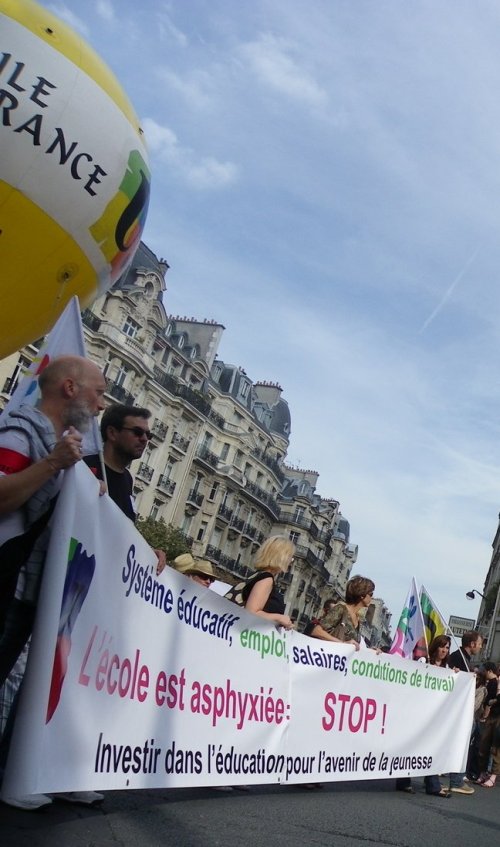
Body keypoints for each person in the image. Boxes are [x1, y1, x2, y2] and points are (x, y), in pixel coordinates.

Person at [0, 355, 107, 810]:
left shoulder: (66, 445)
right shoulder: (23, 430)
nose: (102, 405)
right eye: (99, 393)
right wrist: (53, 465)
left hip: (29, 588)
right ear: (69, 388)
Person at [84, 404, 166, 573]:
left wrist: (147, 552)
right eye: (137, 432)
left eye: (147, 434)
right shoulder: (84, 468)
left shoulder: (127, 480)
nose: (144, 439)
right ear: (112, 433)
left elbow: (123, 531)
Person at [446, 630, 483, 795]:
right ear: (472, 644)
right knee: (459, 743)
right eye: (480, 644)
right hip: (457, 711)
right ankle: (456, 779)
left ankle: (456, 776)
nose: (481, 648)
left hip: (459, 710)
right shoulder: (458, 658)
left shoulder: (464, 659)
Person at [242, 536, 295, 630]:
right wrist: (279, 618)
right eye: (290, 557)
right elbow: (251, 612)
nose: (291, 561)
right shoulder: (266, 579)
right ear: (280, 556)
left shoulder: (259, 575)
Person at [320, 575, 375, 646]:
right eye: (371, 594)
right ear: (362, 595)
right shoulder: (341, 609)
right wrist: (342, 643)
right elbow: (316, 630)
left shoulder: (358, 620)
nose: (372, 597)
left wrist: (371, 651)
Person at [476, 663, 500, 788]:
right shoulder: (494, 681)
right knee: (483, 745)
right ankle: (483, 772)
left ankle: (493, 776)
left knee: (496, 748)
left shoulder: (495, 682)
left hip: (497, 716)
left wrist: (494, 701)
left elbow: (492, 700)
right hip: (492, 715)